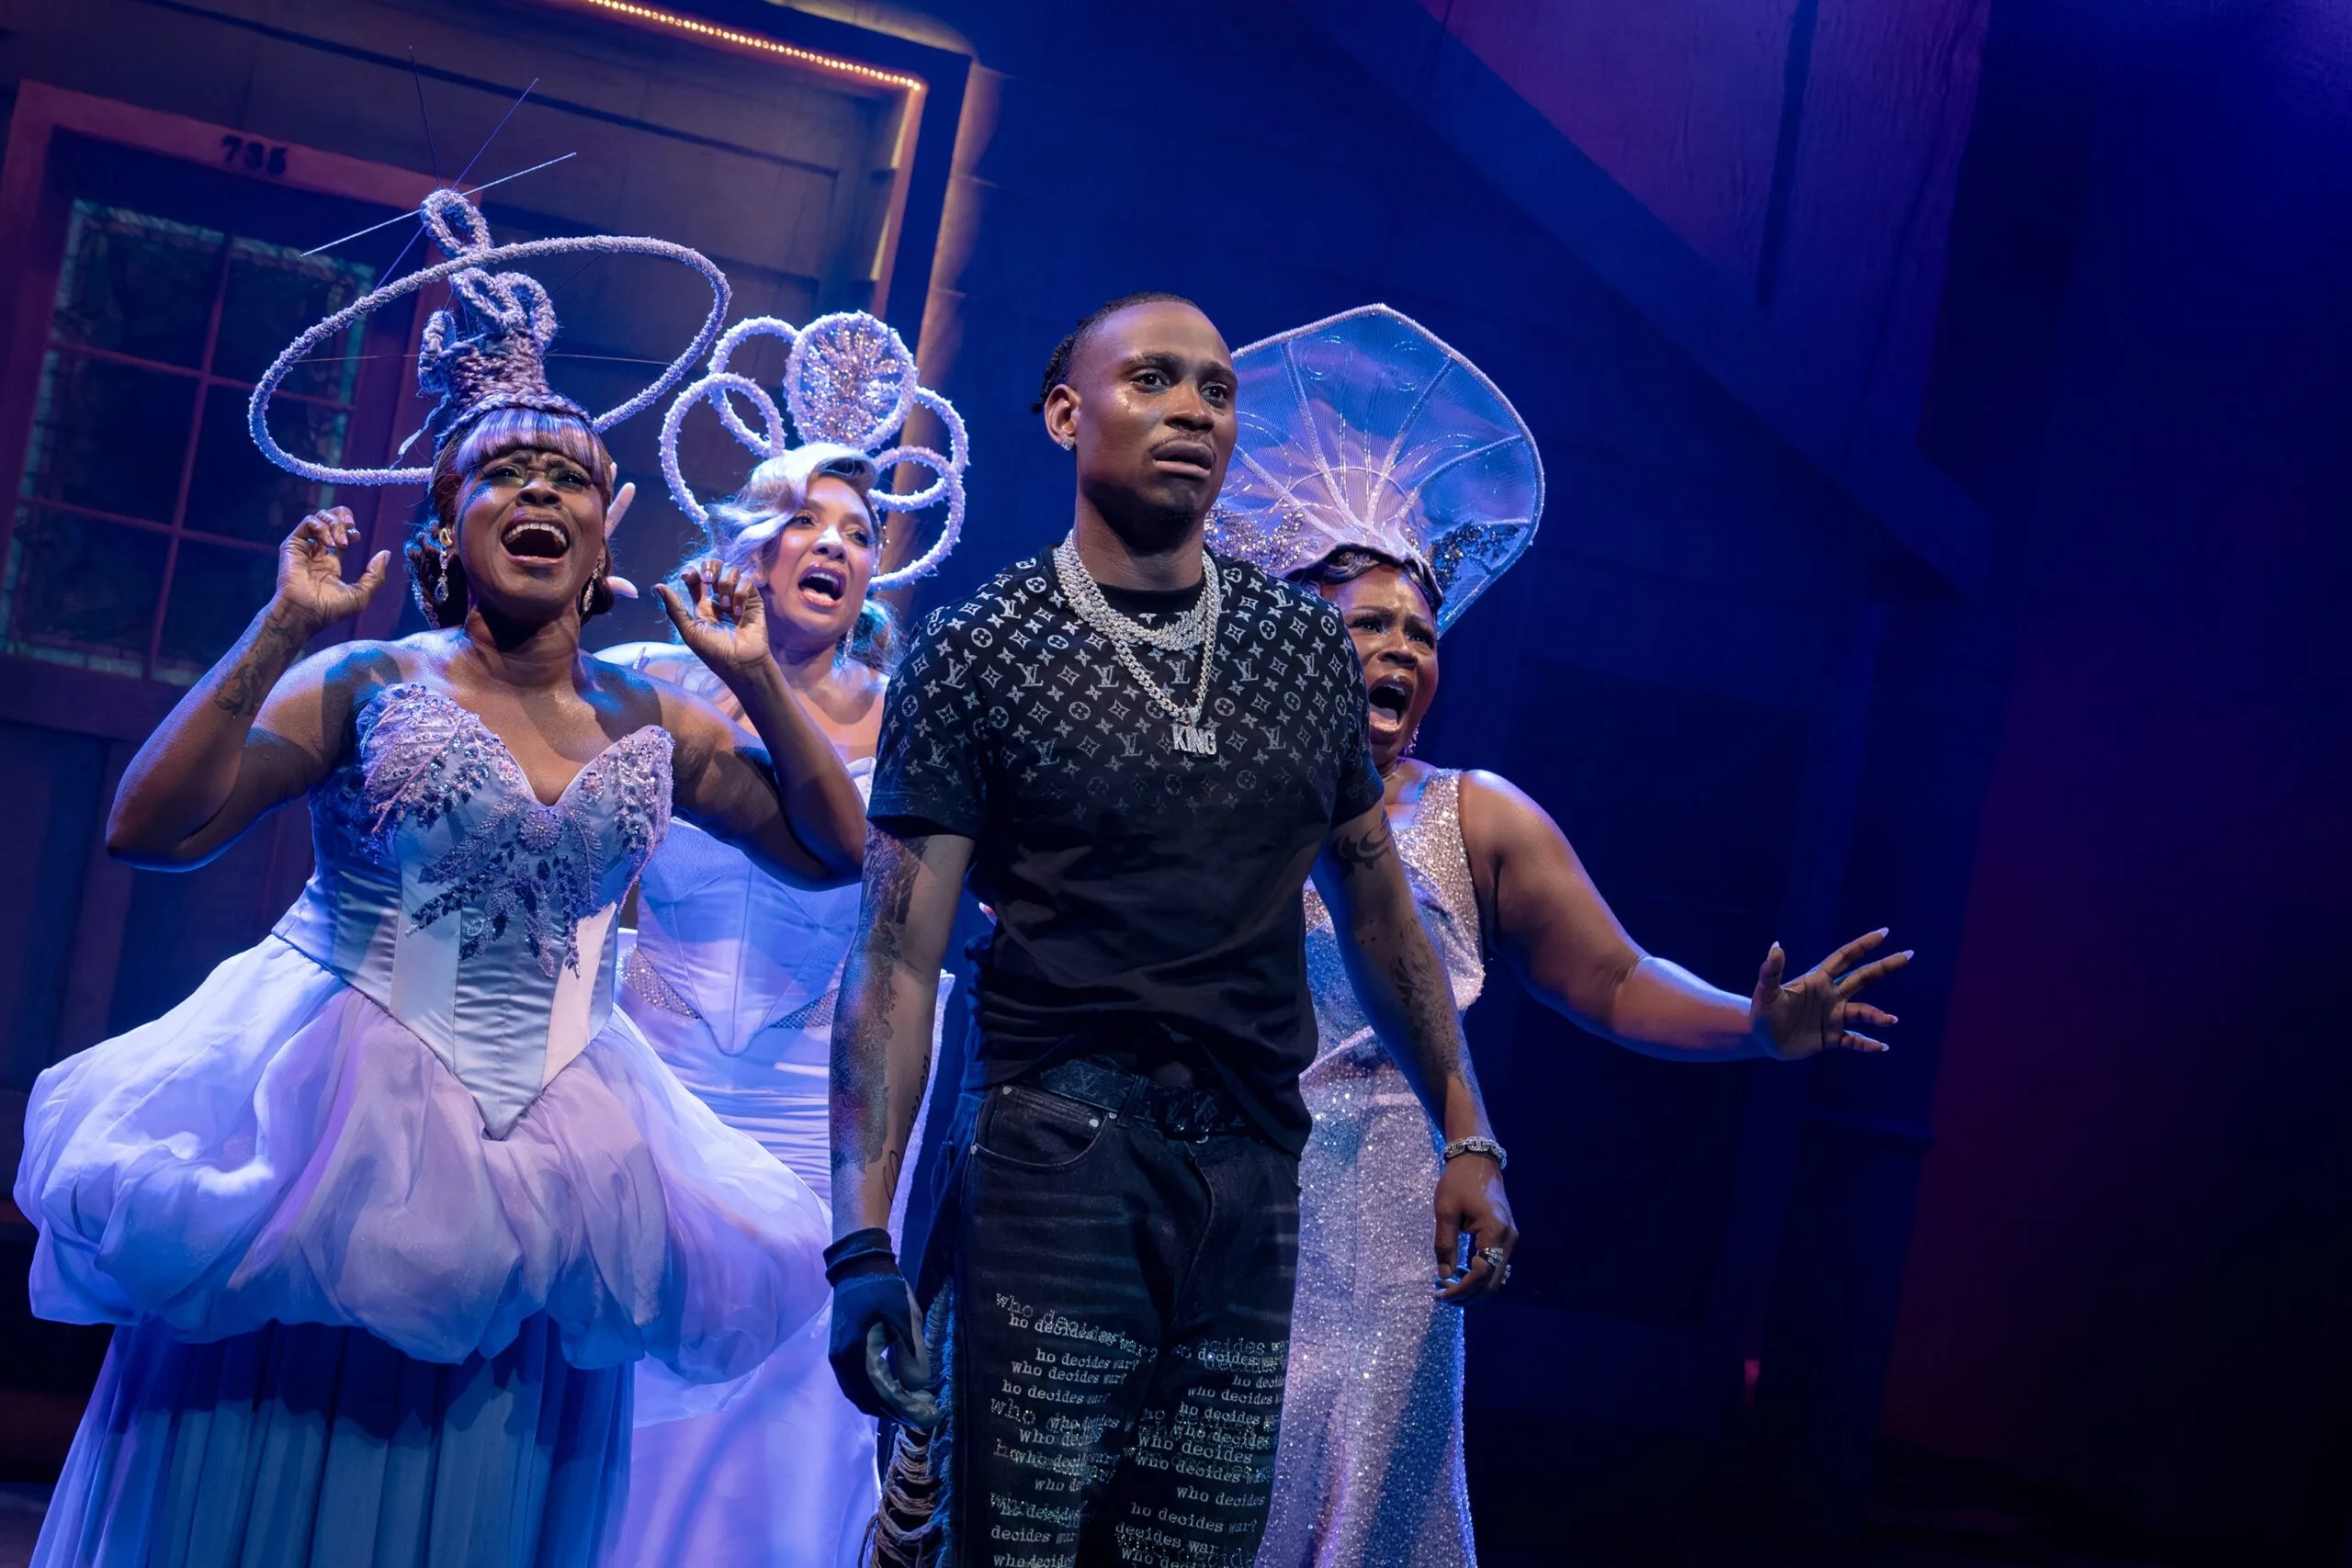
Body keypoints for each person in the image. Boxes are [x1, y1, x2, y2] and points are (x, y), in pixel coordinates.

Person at [12, 190, 863, 1568]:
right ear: (446, 517)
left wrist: (759, 676)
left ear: (607, 532)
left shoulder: (655, 720)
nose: (539, 494)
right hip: (341, 1122)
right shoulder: (368, 679)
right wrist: (280, 626)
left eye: (568, 478)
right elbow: (150, 827)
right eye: (503, 475)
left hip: (566, 1144)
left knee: (481, 1488)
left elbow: (837, 853)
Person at [1207, 305, 1912, 1568]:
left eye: (1421, 635)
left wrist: (1753, 1028)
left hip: (1391, 1215)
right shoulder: (1212, 791)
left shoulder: (1472, 815)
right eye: (1370, 625)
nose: (1402, 650)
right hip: (1219, 1190)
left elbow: (1618, 977)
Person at [824, 292, 1519, 1568]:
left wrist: (1464, 1131)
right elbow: (895, 960)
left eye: (1215, 389)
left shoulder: (1300, 652)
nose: (1193, 409)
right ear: (1065, 413)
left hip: (1248, 1183)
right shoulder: (982, 651)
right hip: (1055, 1162)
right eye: (1152, 379)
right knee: (1020, 1549)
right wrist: (862, 1238)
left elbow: (1380, 913)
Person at [599, 310, 967, 1568]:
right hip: (657, 1063)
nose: (838, 546)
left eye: (861, 533)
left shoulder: (910, 716)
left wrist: (760, 679)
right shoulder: (648, 677)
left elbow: (869, 868)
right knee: (628, 1354)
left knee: (787, 1402)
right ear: (751, 541)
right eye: (809, 520)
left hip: (821, 1093)